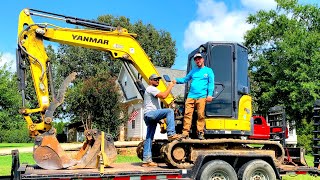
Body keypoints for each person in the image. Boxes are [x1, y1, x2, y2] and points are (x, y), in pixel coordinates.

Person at [142, 74, 181, 167]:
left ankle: (146, 160)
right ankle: (171, 133)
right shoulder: (151, 88)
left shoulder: (151, 91)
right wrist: (170, 86)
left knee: (149, 138)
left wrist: (161, 120)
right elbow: (164, 95)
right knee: (170, 111)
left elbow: (157, 108)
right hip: (150, 114)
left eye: (158, 80)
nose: (157, 81)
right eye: (155, 79)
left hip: (148, 115)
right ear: (150, 81)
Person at [174, 53, 214, 140]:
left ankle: (200, 132)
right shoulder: (193, 71)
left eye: (199, 59)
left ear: (203, 59)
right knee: (187, 114)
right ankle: (185, 133)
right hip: (191, 96)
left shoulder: (208, 71)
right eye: (196, 59)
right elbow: (185, 79)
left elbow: (211, 84)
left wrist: (210, 95)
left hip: (202, 96)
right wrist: (176, 80)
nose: (197, 60)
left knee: (200, 115)